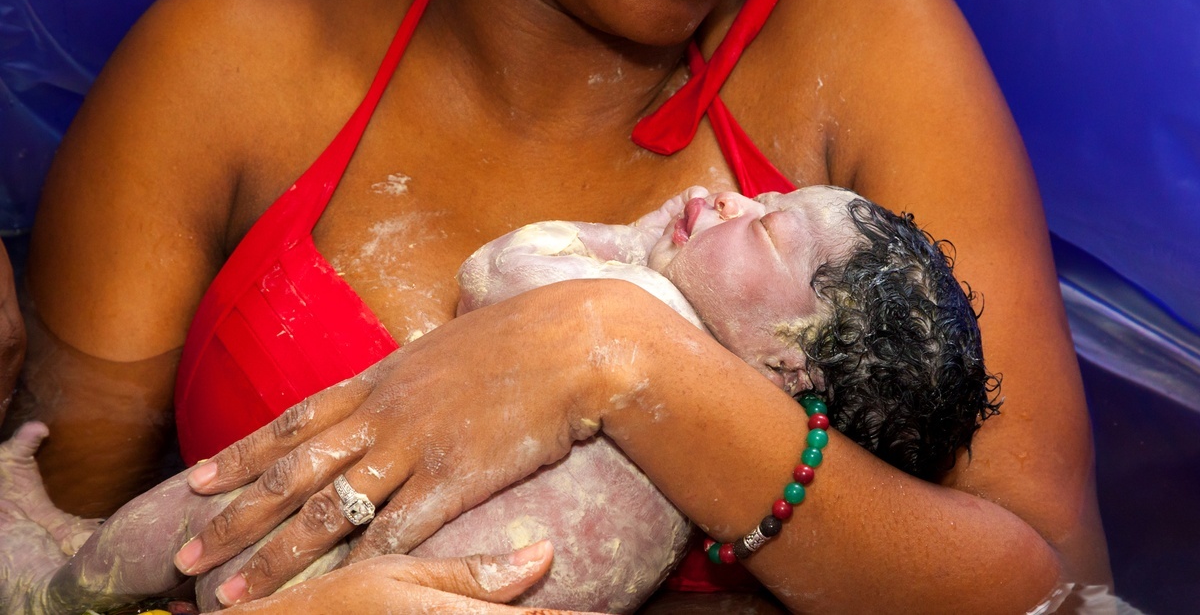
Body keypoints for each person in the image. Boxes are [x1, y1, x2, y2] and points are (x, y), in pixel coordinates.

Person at [18, 0, 1112, 611]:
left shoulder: (868, 42)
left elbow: (1051, 590)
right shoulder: (235, 58)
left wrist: (625, 362)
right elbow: (57, 548)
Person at [0, 184, 998, 613]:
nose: (737, 198)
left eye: (768, 230)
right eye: (768, 198)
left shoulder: (636, 303)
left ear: (789, 362)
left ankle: (53, 590)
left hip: (298, 530)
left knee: (197, 514)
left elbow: (494, 269)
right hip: (370, 557)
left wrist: (641, 244)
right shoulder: (730, 464)